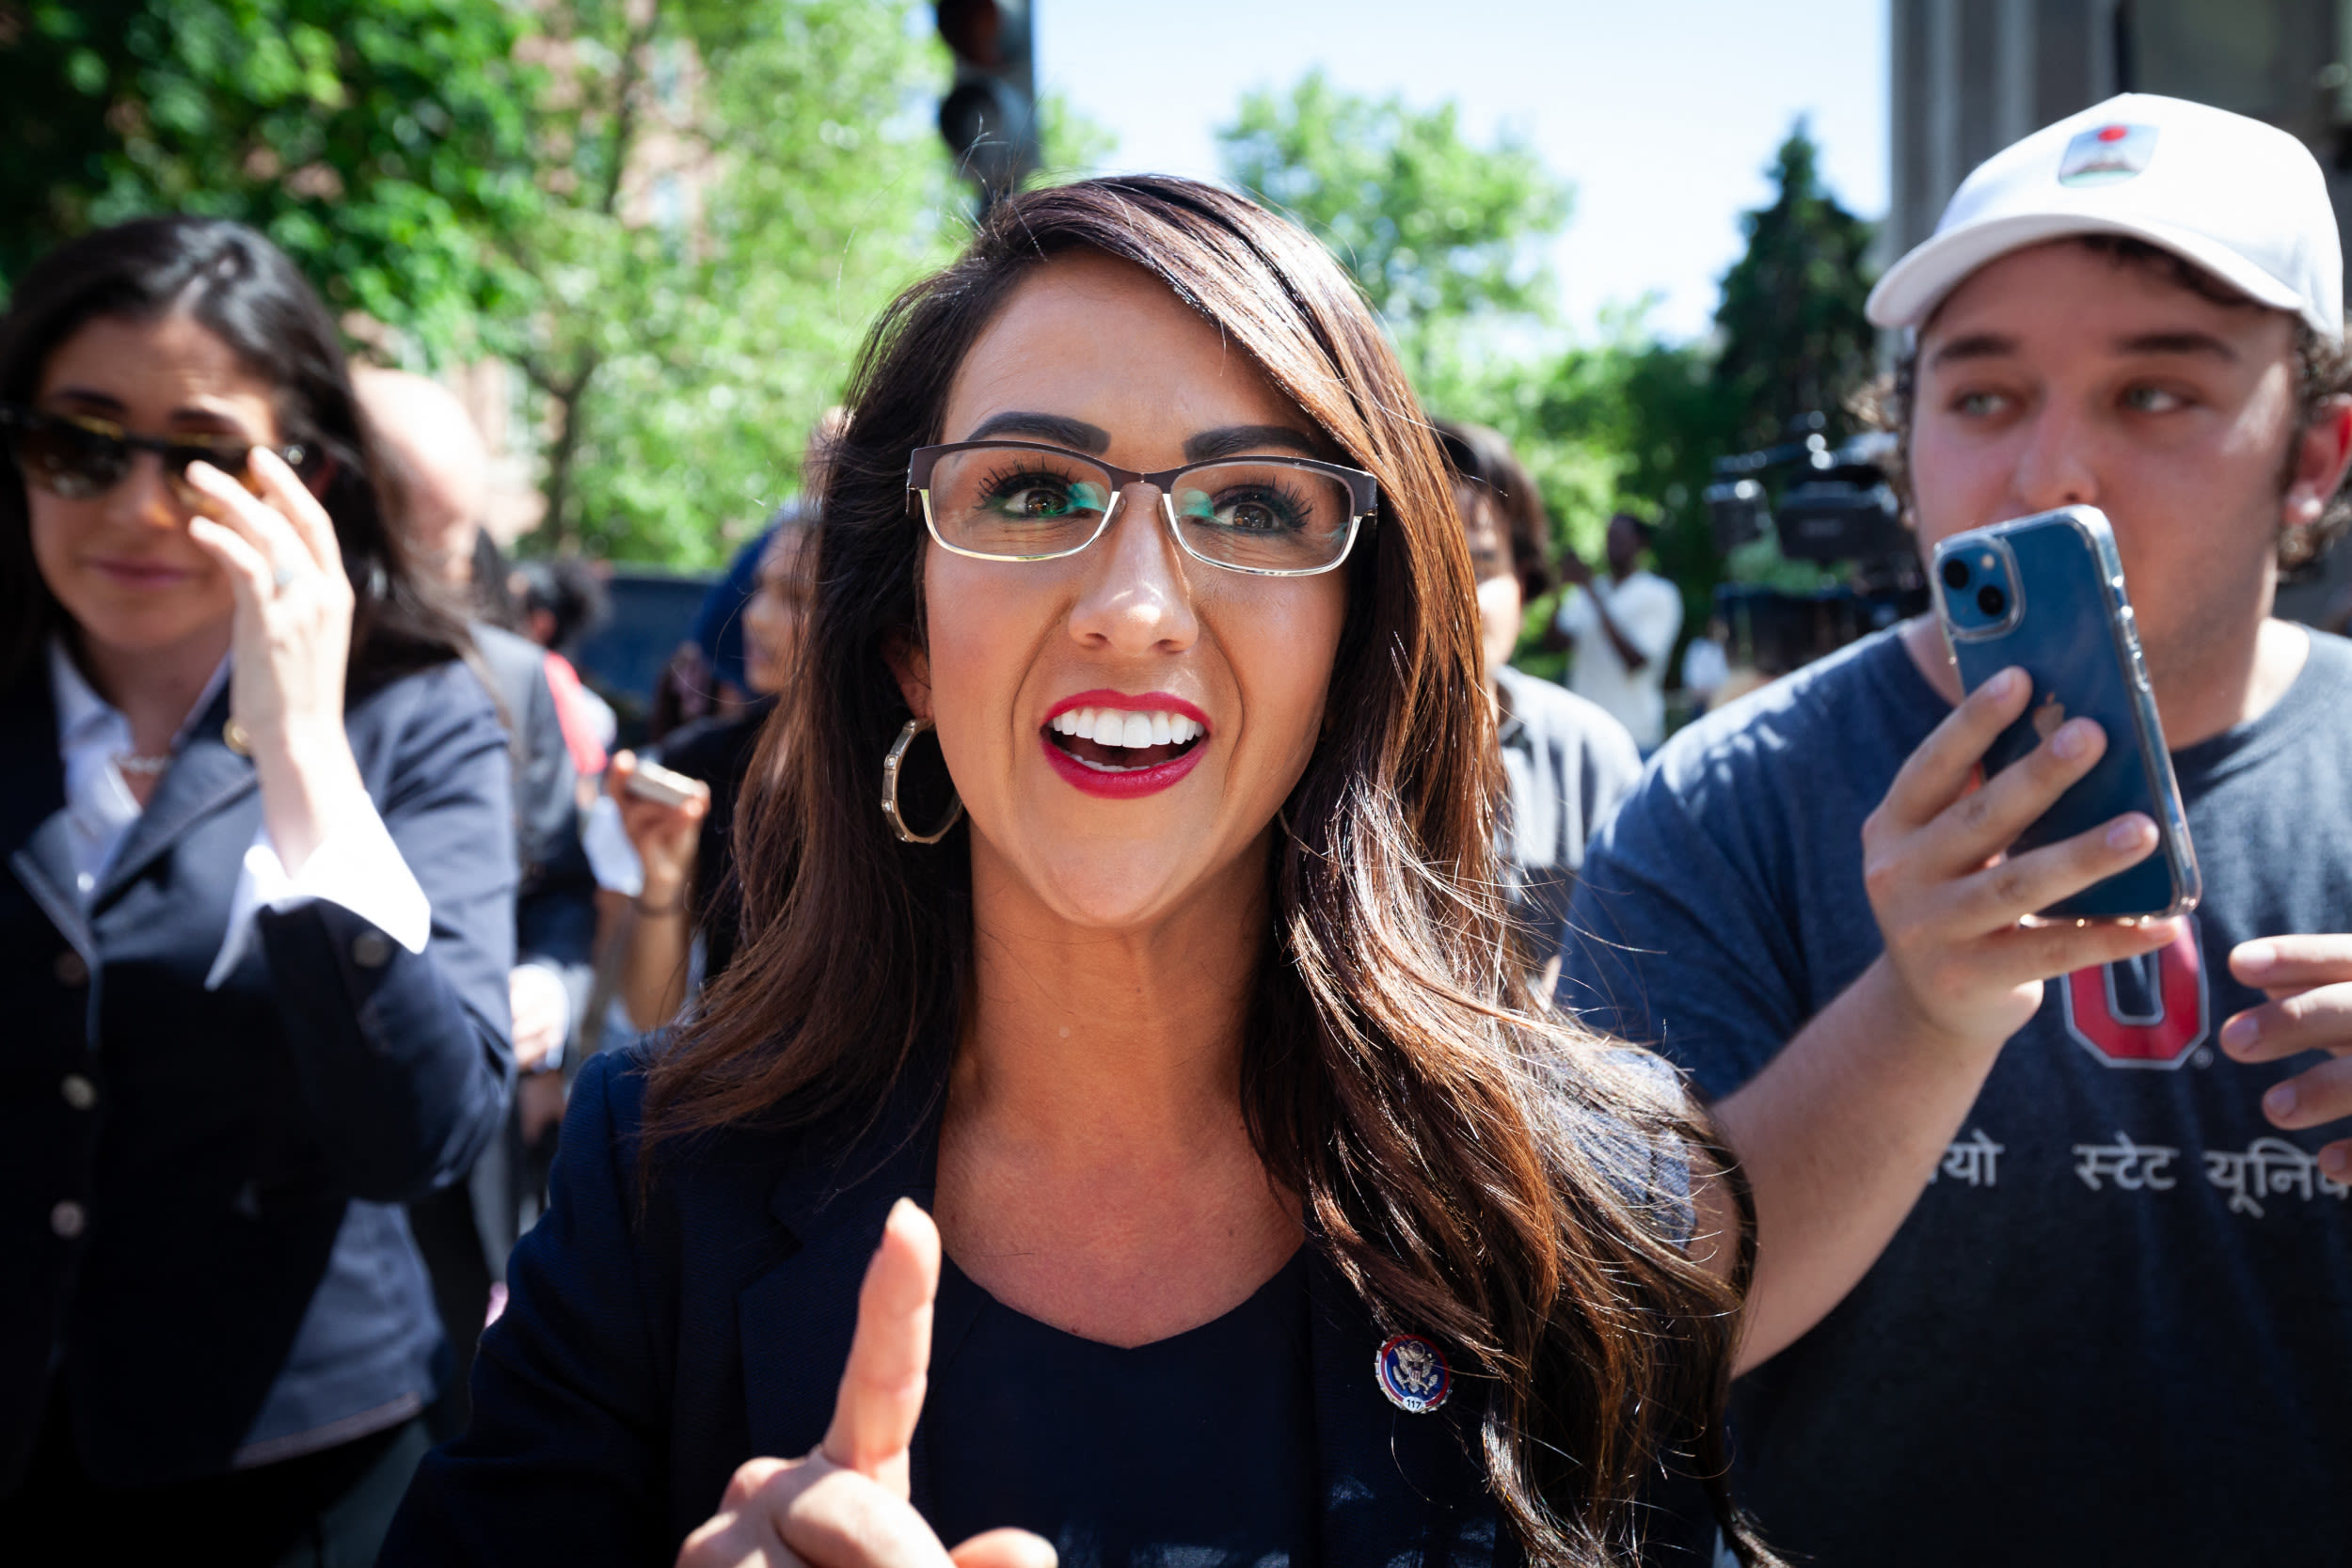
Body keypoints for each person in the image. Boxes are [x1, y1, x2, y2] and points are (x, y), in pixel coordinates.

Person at [384, 177, 1778, 1568]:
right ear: (908, 643)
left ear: (1355, 642)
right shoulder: (656, 1177)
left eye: (1250, 505)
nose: (1132, 608)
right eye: (1035, 491)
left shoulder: (1596, 1203)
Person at [1559, 95, 2352, 1565]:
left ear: (2313, 455)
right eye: (1982, 397)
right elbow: (1616, 1340)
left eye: (2155, 394)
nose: (2051, 472)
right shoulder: (1725, 793)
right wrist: (1922, 1012)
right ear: (1907, 438)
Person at [0, 216, 515, 1560]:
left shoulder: (416, 718)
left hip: (289, 1470)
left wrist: (300, 751)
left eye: (206, 457)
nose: (136, 507)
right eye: (81, 441)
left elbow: (421, 1133)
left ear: (309, 476)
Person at [357, 367, 597, 1429]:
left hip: (459, 1164)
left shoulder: (504, 678)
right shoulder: (185, 663)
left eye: (451, 552)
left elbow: (557, 878)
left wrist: (547, 980)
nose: (426, 585)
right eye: (410, 546)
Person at [1437, 419, 1641, 991]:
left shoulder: (1589, 753)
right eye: (1425, 566)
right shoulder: (1316, 752)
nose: (1452, 595)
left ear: (1524, 582)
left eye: (1479, 564)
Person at [601, 508, 815, 1031]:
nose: (756, 616)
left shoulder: (915, 784)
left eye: (797, 597)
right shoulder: (703, 763)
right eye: (759, 588)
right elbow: (650, 1014)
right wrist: (664, 878)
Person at [1553, 511, 1682, 752]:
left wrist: (1592, 594)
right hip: (1584, 736)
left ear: (1641, 543)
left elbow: (1636, 660)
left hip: (1634, 735)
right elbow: (1554, 644)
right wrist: (1558, 589)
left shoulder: (1660, 594)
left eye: (1621, 538)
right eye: (1610, 537)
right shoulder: (1587, 591)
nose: (1613, 545)